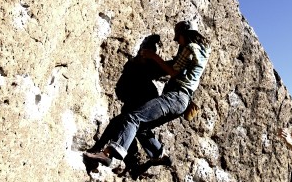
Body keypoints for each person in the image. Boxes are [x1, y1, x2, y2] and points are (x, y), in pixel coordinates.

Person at [84, 20, 209, 169]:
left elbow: (173, 72)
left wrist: (153, 56)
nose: (176, 39)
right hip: (182, 101)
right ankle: (158, 155)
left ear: (185, 34)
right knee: (142, 127)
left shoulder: (189, 48)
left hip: (175, 97)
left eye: (177, 35)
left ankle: (108, 154)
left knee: (133, 118)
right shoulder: (203, 51)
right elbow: (182, 72)